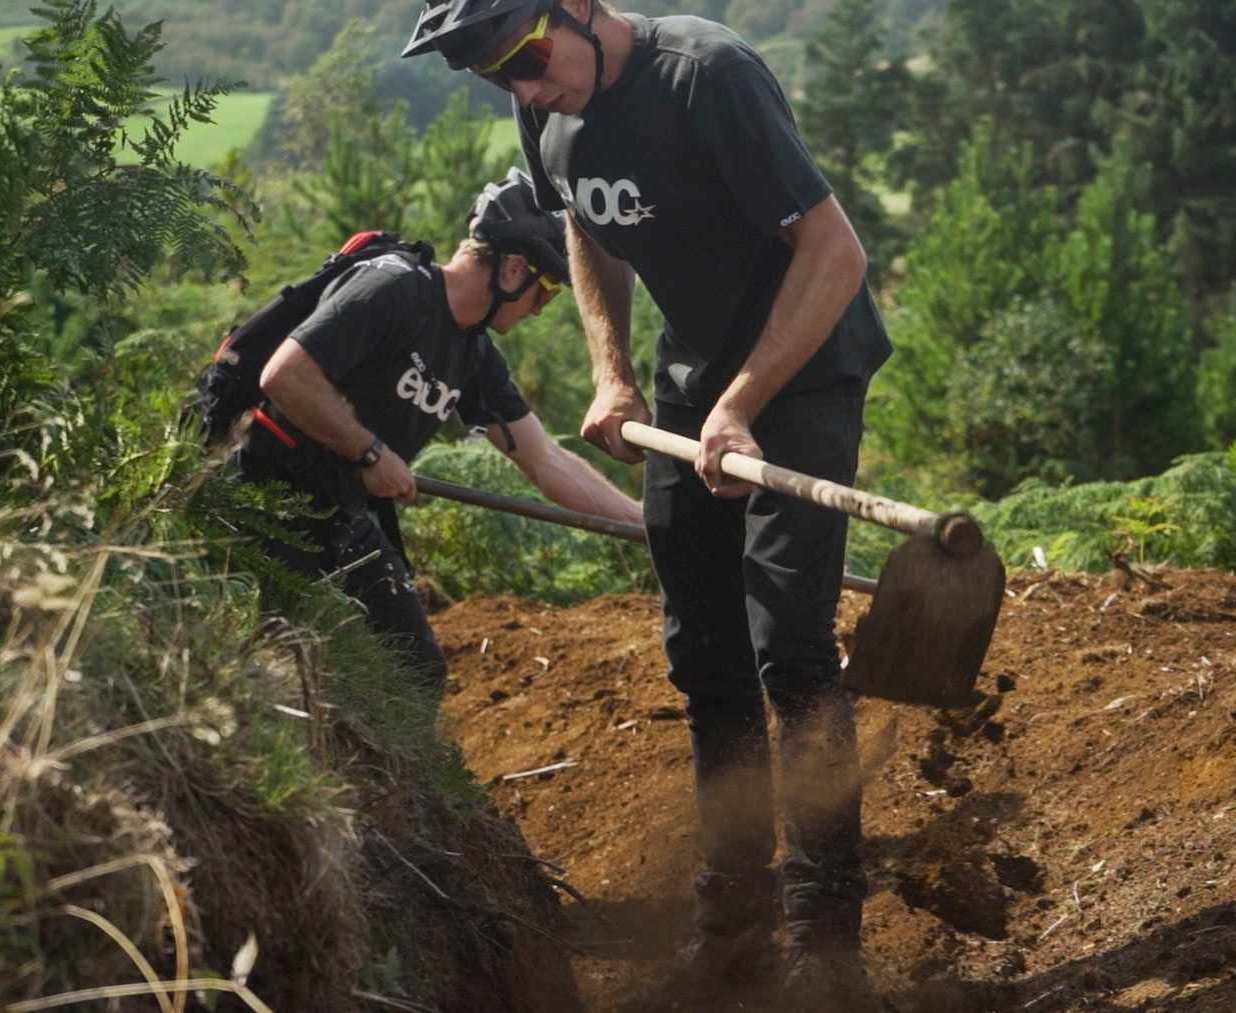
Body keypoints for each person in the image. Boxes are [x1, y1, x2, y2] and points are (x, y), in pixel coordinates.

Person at [405, 3, 893, 1005]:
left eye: (531, 60)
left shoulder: (705, 76)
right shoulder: (545, 107)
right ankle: (733, 930)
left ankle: (824, 948)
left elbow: (837, 254)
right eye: (502, 80)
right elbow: (585, 223)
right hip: (687, 386)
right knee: (703, 654)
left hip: (798, 379)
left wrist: (744, 406)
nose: (528, 91)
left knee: (790, 653)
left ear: (578, 5)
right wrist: (612, 373)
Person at [235, 168, 642, 700]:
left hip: (340, 508)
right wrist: (370, 451)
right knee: (293, 658)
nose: (540, 311)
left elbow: (547, 463)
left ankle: (385, 781)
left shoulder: (473, 355)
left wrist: (649, 525)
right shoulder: (393, 288)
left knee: (414, 668)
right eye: (544, 295)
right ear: (515, 269)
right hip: (266, 493)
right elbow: (284, 376)